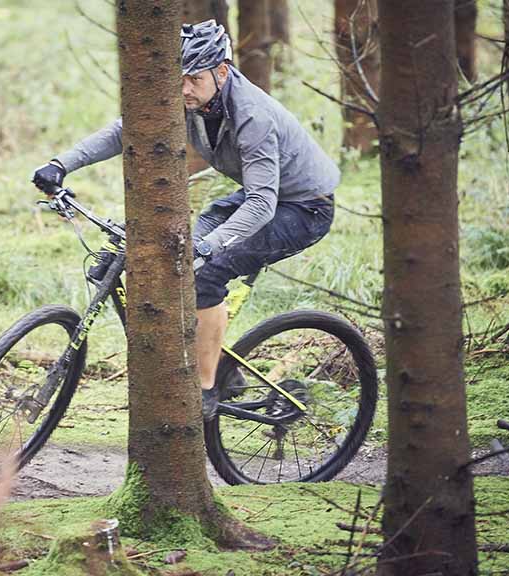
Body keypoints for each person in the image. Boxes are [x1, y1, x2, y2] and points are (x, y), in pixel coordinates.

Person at [32, 20, 339, 420]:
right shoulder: (188, 99)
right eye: (178, 79)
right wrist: (61, 164)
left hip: (303, 208)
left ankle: (206, 389)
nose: (184, 90)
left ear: (222, 71)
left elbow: (262, 204)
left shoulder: (253, 117)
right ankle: (223, 368)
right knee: (182, 264)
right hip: (263, 196)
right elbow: (125, 132)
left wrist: (212, 245)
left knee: (209, 272)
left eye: (194, 78)